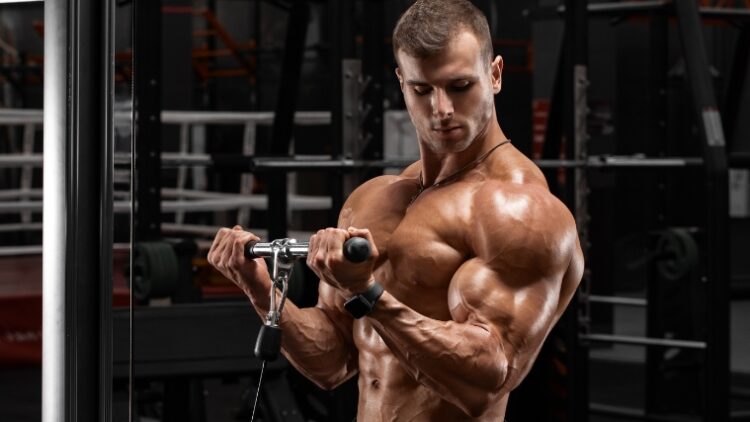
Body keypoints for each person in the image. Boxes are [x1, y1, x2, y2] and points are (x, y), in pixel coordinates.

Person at [209, 0, 584, 419]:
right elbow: (332, 361)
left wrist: (367, 293)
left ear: (494, 75)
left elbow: (488, 379)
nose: (441, 109)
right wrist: (260, 289)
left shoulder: (517, 208)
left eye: (460, 87)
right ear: (401, 82)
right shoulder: (375, 198)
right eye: (422, 90)